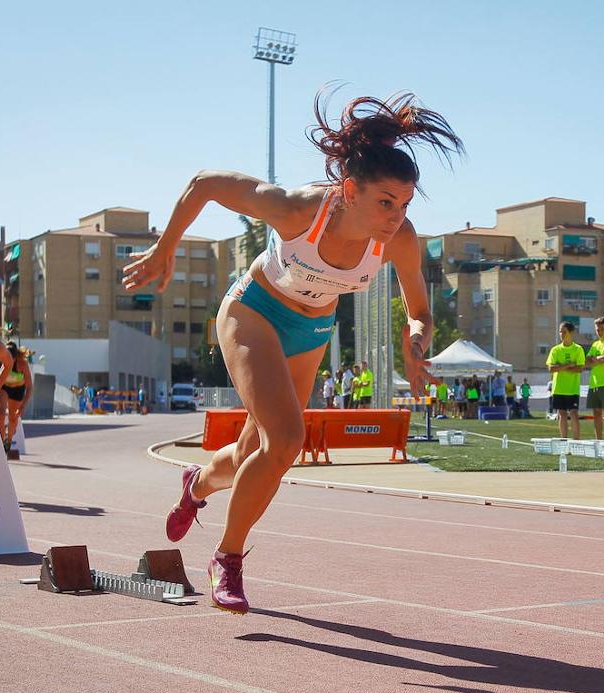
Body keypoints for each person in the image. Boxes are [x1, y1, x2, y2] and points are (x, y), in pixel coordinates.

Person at [123, 89, 461, 615]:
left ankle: (196, 485)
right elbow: (205, 184)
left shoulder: (399, 239)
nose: (396, 217)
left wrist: (417, 340)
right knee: (286, 442)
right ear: (349, 189)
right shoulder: (300, 209)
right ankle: (227, 559)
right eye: (385, 202)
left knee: (250, 455)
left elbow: (418, 306)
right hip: (254, 313)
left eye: (405, 205)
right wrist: (165, 248)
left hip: (311, 332)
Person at [546, 321, 585, 439]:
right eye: (560, 332)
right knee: (561, 414)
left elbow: (579, 368)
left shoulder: (578, 349)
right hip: (558, 388)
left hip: (572, 389)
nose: (561, 334)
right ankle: (563, 439)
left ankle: (576, 441)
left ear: (571, 333)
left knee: (573, 413)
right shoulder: (555, 350)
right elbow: (551, 368)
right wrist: (568, 366)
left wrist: (561, 367)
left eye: (564, 332)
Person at [0, 342, 34, 452]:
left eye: (10, 361)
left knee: (13, 417)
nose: (7, 363)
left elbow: (29, 387)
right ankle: (0, 443)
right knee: (1, 415)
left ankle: (9, 440)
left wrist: (23, 406)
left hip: (17, 390)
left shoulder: (22, 364)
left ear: (15, 357)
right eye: (5, 359)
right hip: (3, 387)